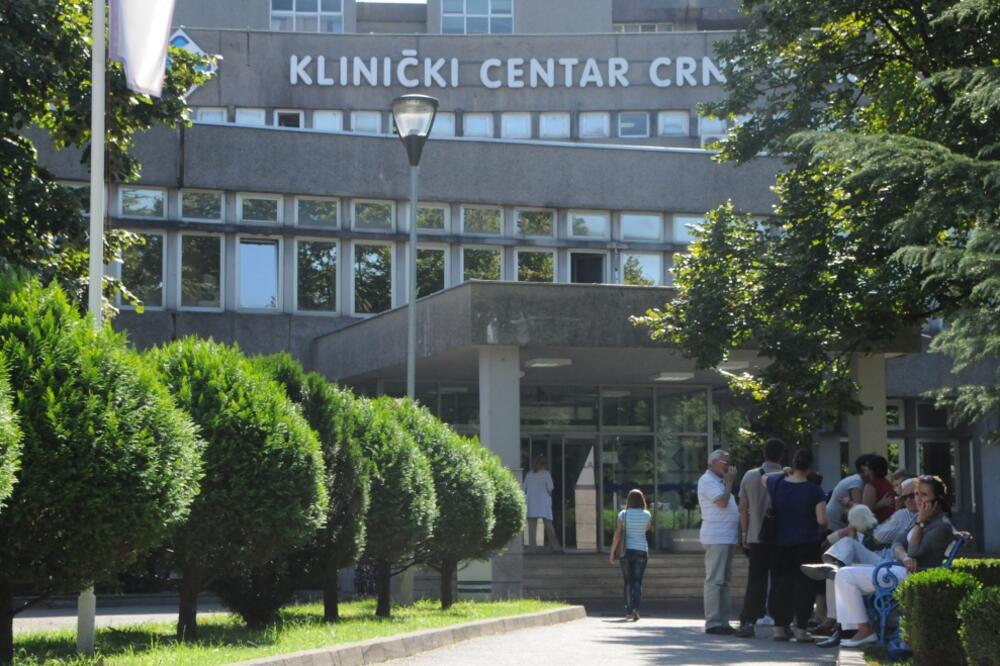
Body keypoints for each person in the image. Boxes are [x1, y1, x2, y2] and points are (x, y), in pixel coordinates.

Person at [835, 475, 957, 648]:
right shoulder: (921, 519)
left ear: (938, 499)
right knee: (843, 574)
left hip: (914, 575)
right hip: (900, 568)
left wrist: (920, 525)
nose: (918, 499)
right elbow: (897, 543)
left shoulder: (940, 525)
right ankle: (854, 629)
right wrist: (905, 556)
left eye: (924, 495)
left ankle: (863, 630)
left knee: (844, 576)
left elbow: (915, 551)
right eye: (916, 494)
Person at [763, 448, 828, 642]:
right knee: (805, 586)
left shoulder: (777, 483)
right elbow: (822, 520)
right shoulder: (815, 490)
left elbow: (763, 477)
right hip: (807, 543)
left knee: (781, 584)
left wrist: (784, 472)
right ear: (810, 466)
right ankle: (801, 629)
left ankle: (779, 627)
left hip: (779, 542)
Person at [735, 437, 785, 639]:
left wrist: (745, 533)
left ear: (763, 453)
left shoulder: (750, 475)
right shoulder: (787, 476)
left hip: (756, 537)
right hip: (781, 539)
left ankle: (748, 622)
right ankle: (780, 624)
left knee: (756, 581)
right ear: (781, 455)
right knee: (780, 581)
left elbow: (743, 508)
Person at [698, 449, 739, 635]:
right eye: (724, 462)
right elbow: (721, 503)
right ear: (712, 463)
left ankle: (723, 620)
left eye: (728, 462)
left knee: (724, 581)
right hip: (717, 536)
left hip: (726, 536)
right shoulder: (707, 480)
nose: (727, 466)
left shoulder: (719, 481)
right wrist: (730, 483)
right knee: (715, 580)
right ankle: (713, 622)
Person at [609, 488, 652, 621]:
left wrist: (612, 553)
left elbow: (617, 534)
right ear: (642, 500)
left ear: (628, 500)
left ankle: (628, 611)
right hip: (641, 551)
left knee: (628, 582)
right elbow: (647, 528)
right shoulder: (647, 515)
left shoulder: (623, 514)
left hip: (626, 551)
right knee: (638, 582)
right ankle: (636, 609)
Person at [523, 455, 561, 552]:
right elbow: (550, 488)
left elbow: (524, 489)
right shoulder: (546, 474)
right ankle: (555, 547)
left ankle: (532, 549)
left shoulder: (529, 474)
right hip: (544, 504)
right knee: (549, 527)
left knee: (532, 529)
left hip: (531, 504)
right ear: (543, 464)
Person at [826, 454, 872, 531]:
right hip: (834, 524)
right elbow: (858, 508)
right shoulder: (857, 482)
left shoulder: (858, 480)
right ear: (863, 468)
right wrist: (848, 503)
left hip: (836, 522)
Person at [861, 455, 895, 523]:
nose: (865, 468)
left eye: (867, 466)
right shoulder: (887, 482)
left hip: (878, 524)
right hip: (889, 521)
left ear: (871, 470)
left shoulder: (871, 486)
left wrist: (879, 505)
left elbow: (865, 510)